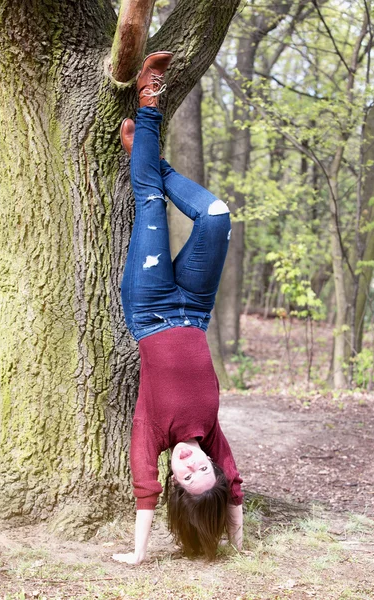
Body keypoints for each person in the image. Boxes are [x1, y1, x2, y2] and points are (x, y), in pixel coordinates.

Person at [112, 52, 243, 565]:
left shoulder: (154, 434)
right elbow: (233, 488)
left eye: (184, 475)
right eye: (201, 470)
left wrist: (138, 556)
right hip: (195, 307)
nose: (191, 464)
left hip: (148, 308)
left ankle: (149, 101)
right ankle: (150, 158)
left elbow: (144, 494)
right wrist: (238, 541)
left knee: (151, 204)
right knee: (215, 216)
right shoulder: (212, 436)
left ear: (173, 478)